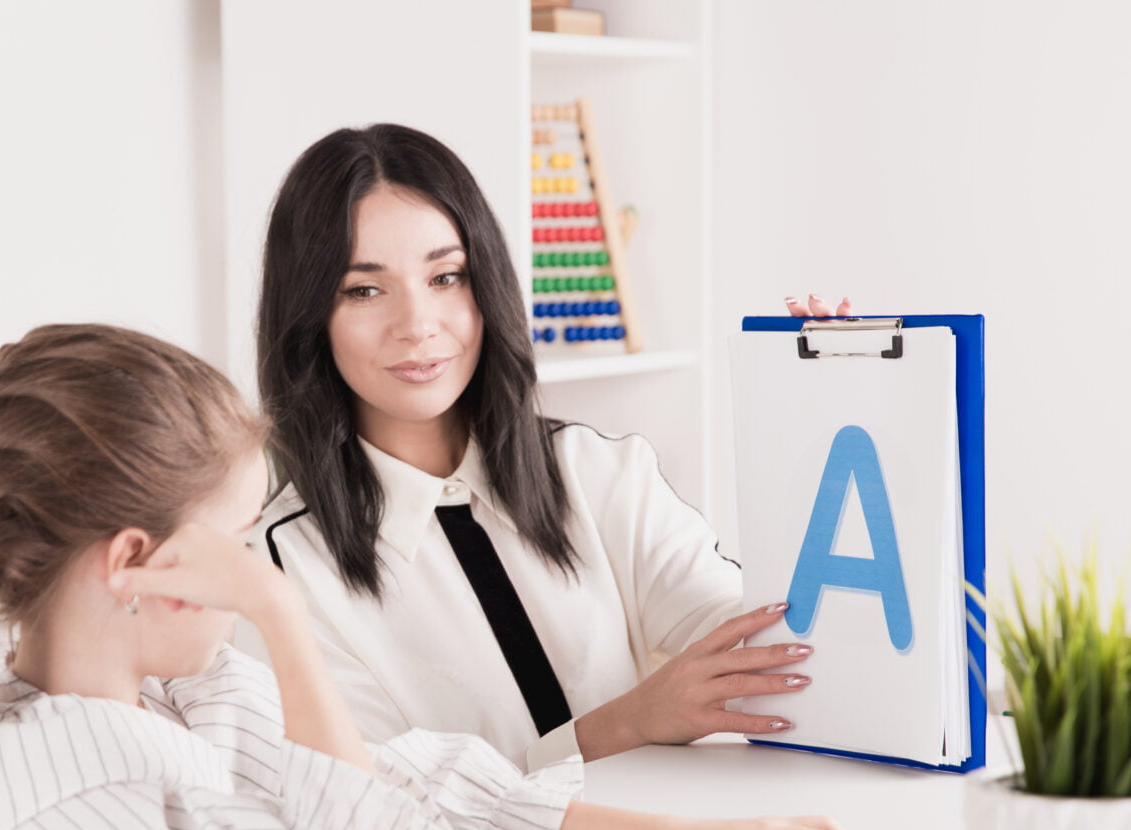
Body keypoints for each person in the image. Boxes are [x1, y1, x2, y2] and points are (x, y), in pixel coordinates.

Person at [0, 324, 867, 830]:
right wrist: (282, 618)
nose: (253, 574)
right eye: (237, 545)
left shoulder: (179, 700)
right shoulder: (60, 780)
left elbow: (412, 781)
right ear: (136, 563)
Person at [253, 123, 853, 771]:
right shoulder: (279, 566)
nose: (418, 325)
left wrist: (822, 429)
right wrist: (625, 723)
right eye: (363, 289)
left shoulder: (596, 471)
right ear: (310, 315)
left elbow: (755, 641)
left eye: (447, 277)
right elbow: (380, 798)